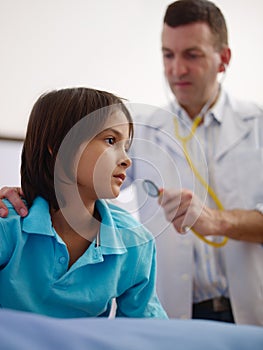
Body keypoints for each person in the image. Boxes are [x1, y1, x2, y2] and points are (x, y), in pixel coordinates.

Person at [1, 0, 263, 325]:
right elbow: (71, 165)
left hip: (250, 308)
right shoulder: (143, 125)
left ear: (223, 59)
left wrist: (219, 222)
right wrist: (21, 192)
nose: (176, 69)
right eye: (168, 55)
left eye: (191, 55)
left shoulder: (258, 126)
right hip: (179, 308)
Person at [0, 87, 167, 319]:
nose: (127, 160)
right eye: (110, 140)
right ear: (58, 146)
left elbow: (147, 334)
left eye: (126, 147)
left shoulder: (136, 243)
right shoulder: (7, 226)